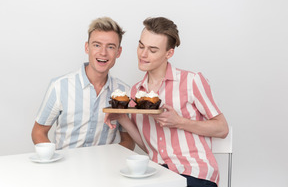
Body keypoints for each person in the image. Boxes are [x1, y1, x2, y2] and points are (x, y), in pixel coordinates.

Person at [105, 17, 229, 187]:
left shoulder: (191, 81)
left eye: (153, 50)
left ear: (169, 53)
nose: (143, 54)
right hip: (159, 175)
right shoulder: (136, 92)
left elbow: (222, 129)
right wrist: (120, 117)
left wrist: (179, 122)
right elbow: (148, 146)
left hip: (194, 173)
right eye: (141, 46)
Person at [32, 17, 135, 151]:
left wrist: (110, 160)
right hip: (64, 168)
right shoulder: (60, 86)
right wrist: (54, 159)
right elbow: (38, 132)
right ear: (87, 47)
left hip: (104, 169)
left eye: (110, 47)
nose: (103, 53)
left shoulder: (125, 92)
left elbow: (129, 140)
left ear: (118, 52)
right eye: (97, 45)